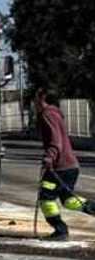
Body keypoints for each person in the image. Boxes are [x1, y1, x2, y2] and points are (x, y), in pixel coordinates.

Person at [35, 89, 95, 240]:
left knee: (46, 198)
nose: (34, 102)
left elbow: (56, 141)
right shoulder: (56, 113)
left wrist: (49, 158)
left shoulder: (47, 114)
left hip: (59, 167)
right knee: (68, 200)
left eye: (36, 98)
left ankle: (61, 231)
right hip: (70, 167)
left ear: (42, 98)